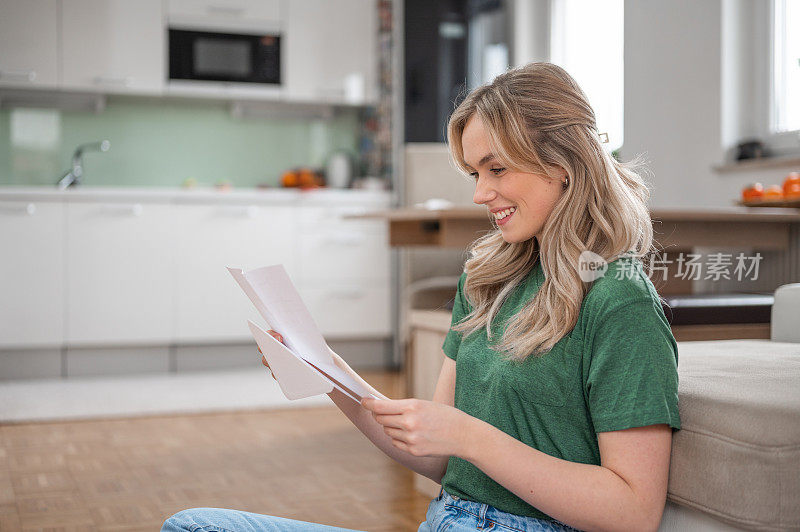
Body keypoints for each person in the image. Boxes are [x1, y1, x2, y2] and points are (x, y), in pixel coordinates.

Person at [162, 62, 680, 532]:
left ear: (562, 162)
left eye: (496, 169)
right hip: (444, 522)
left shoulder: (619, 301)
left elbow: (632, 511)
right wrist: (327, 373)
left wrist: (470, 437)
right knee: (192, 526)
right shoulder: (488, 281)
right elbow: (436, 458)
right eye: (475, 173)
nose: (480, 193)